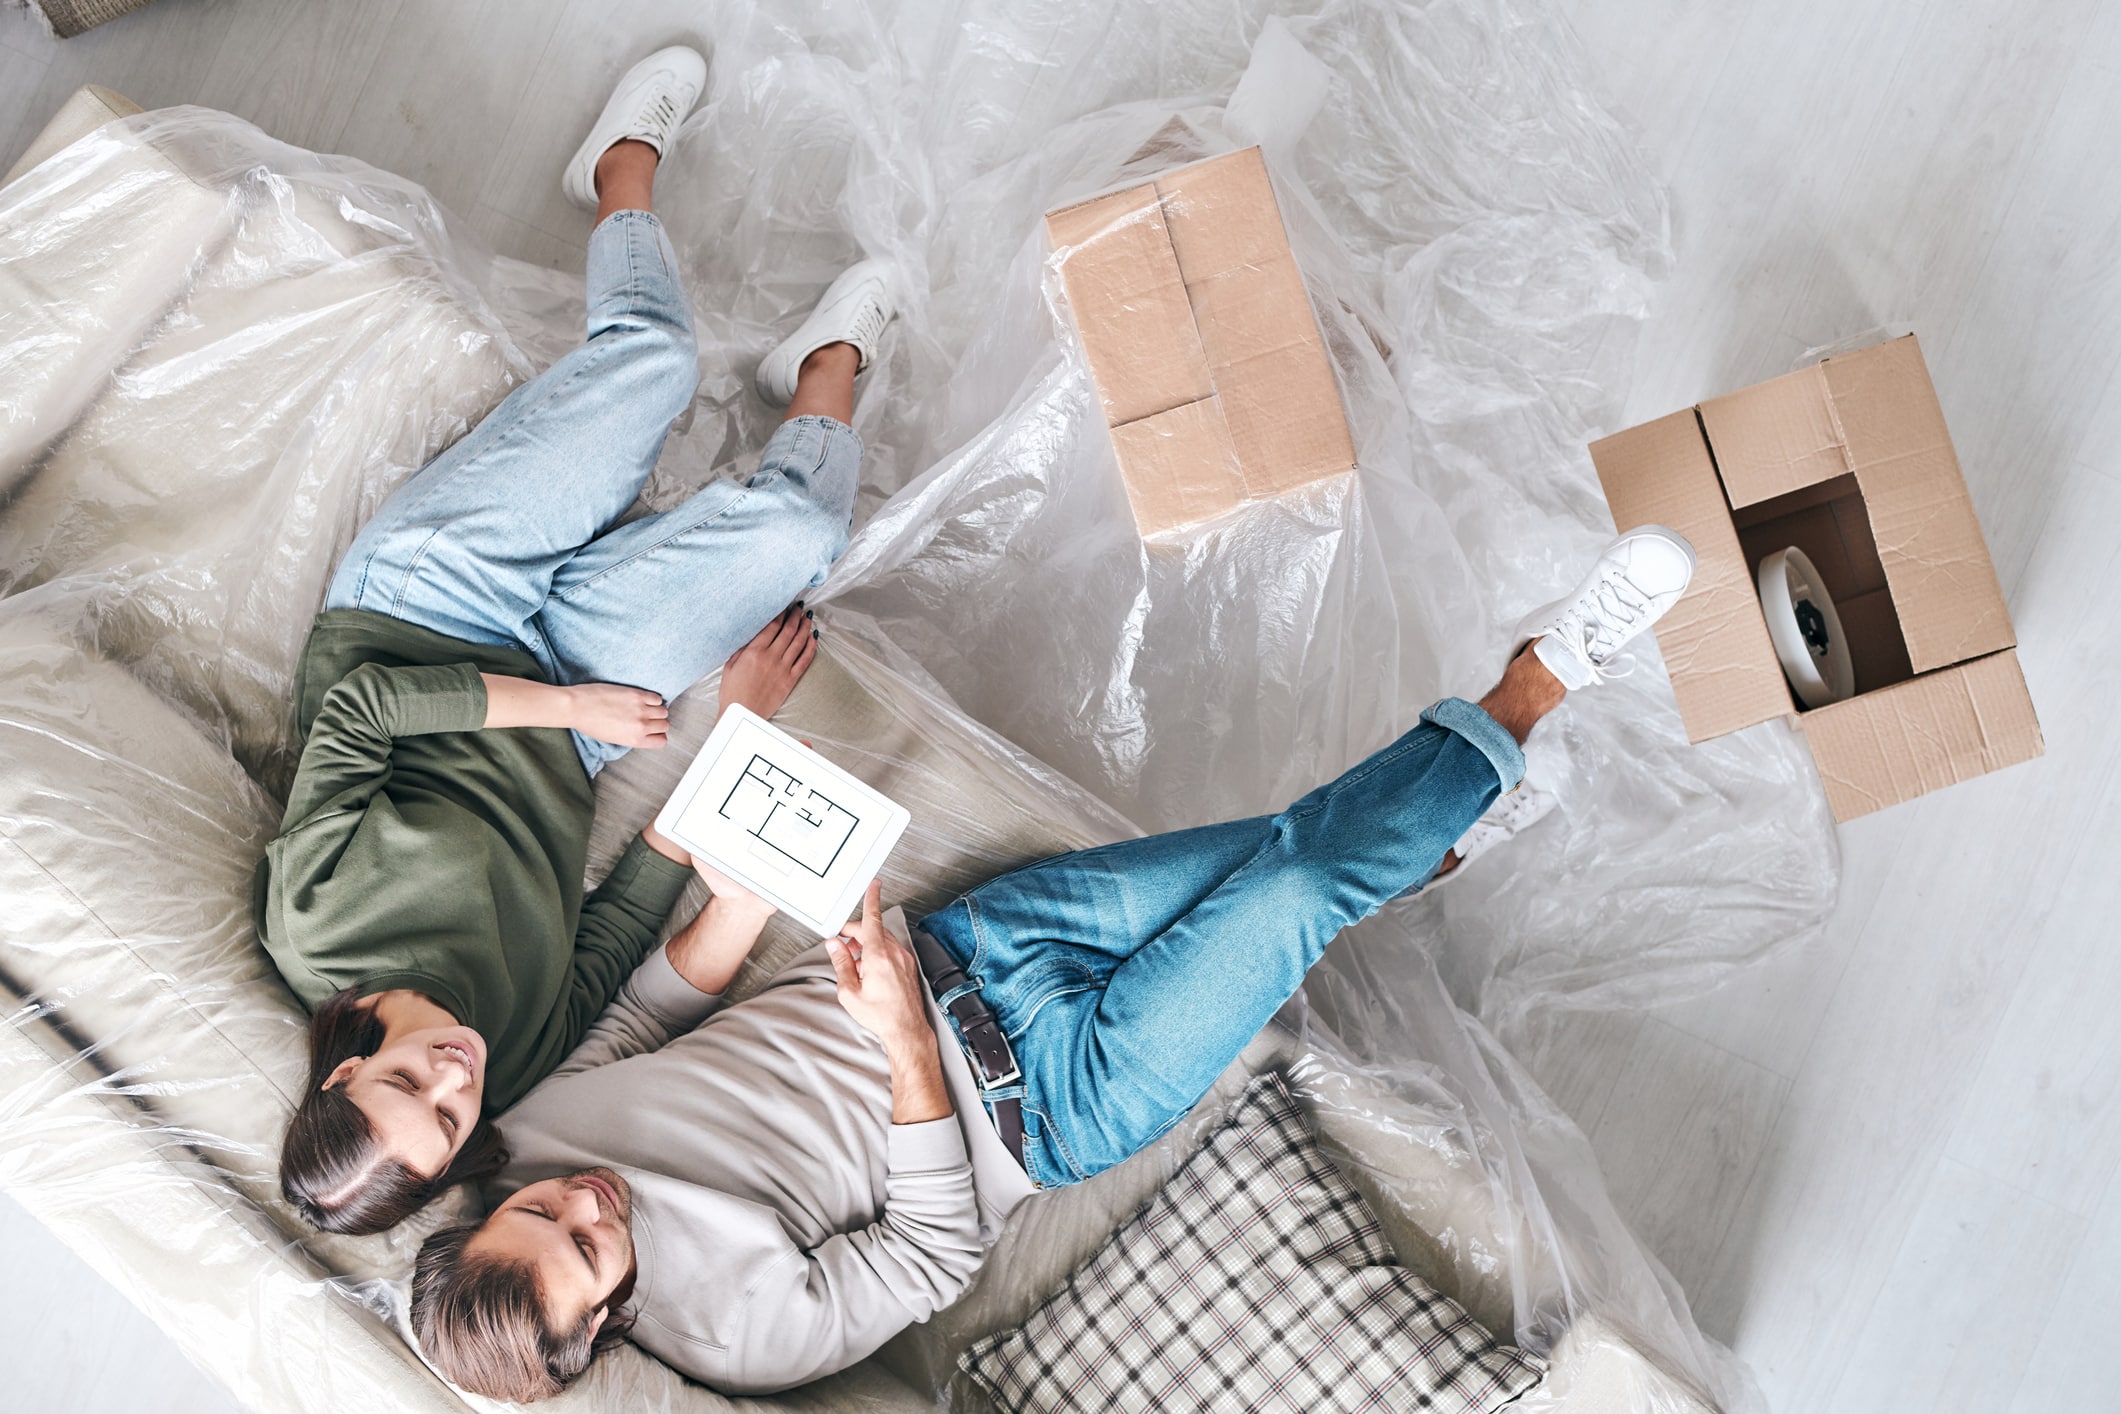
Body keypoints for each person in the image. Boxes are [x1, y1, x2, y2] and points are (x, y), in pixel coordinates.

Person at [405, 527, 1698, 1400]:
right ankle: (1552, 667)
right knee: (1299, 887)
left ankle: (1447, 831)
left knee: (1282, 846)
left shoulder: (525, 1129)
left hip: (982, 944)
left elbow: (650, 1009)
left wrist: (743, 893)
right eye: (588, 1247)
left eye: (548, 1209)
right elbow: (929, 1257)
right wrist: (905, 1044)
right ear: (598, 1333)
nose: (592, 1204)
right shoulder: (736, 1338)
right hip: (1066, 1098)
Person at [253, 45, 901, 1236]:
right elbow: (612, 934)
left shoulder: (312, 926)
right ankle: (825, 367)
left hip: (430, 605)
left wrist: (564, 712)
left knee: (651, 359)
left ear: (343, 1070)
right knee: (799, 529)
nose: (453, 1073)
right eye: (450, 1117)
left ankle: (620, 166)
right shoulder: (516, 1053)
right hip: (584, 704)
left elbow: (360, 712)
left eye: (408, 1079)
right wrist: (731, 726)